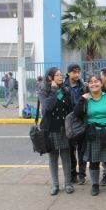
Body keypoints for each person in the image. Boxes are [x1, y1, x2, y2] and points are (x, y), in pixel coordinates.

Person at [74, 75, 106, 199]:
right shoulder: (86, 99)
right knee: (94, 162)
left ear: (101, 84)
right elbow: (77, 114)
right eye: (91, 82)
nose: (93, 84)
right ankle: (95, 185)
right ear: (88, 85)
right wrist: (81, 100)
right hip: (92, 134)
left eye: (96, 81)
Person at [38, 67, 74, 195]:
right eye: (57, 75)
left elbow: (71, 109)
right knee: (53, 158)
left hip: (64, 129)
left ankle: (68, 184)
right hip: (50, 129)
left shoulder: (66, 90)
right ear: (50, 77)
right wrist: (53, 90)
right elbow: (47, 107)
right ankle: (55, 185)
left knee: (66, 157)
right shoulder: (44, 91)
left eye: (61, 75)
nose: (60, 77)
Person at [64, 64, 88, 185]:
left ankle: (82, 175)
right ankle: (73, 174)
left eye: (78, 72)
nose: (77, 74)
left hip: (81, 121)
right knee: (70, 151)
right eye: (74, 72)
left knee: (82, 150)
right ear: (68, 73)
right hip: (68, 123)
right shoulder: (63, 87)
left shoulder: (84, 86)